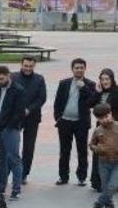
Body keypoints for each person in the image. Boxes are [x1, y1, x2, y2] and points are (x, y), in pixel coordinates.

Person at [54, 58, 97, 186]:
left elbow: (92, 102)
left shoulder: (90, 84)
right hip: (65, 122)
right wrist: (58, 118)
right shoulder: (64, 83)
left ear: (85, 69)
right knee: (64, 151)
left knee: (82, 151)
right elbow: (58, 102)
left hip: (81, 123)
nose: (79, 70)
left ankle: (81, 177)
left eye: (81, 67)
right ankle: (63, 176)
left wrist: (84, 88)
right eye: (76, 67)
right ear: (72, 69)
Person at [0, 65, 26, 200]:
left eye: (2, 78)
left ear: (8, 75)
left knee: (14, 159)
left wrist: (7, 126)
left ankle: (16, 190)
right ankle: (0, 188)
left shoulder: (18, 90)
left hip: (10, 130)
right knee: (1, 160)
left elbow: (19, 112)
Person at [12, 56, 47, 185]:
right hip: (15, 117)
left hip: (32, 117)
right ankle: (11, 170)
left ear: (34, 66)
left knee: (29, 147)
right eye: (25, 66)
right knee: (12, 145)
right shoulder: (13, 77)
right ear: (21, 65)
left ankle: (24, 174)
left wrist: (29, 109)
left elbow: (42, 98)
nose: (28, 68)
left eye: (30, 66)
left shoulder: (39, 79)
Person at [89, 69, 118, 192]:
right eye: (102, 79)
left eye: (107, 79)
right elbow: (89, 104)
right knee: (100, 154)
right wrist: (97, 93)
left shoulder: (117, 92)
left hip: (114, 128)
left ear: (112, 79)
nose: (105, 81)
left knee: (115, 155)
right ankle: (98, 182)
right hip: (101, 129)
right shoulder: (99, 92)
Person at [89, 104, 118, 208]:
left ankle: (98, 204)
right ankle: (109, 207)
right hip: (103, 162)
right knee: (106, 187)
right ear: (97, 119)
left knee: (113, 186)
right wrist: (97, 149)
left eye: (107, 116)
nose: (105, 120)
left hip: (117, 162)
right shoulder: (98, 130)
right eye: (101, 118)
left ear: (111, 113)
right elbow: (91, 144)